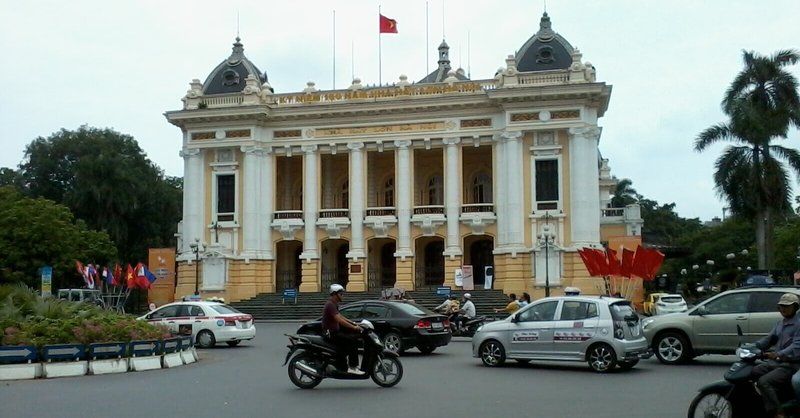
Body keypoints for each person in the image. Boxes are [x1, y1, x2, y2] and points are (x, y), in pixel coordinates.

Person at [751, 293, 800, 418]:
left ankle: (778, 412)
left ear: (795, 307)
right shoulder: (780, 323)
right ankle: (770, 400)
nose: (783, 309)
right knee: (754, 371)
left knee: (764, 382)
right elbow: (768, 339)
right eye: (781, 306)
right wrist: (752, 347)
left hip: (791, 364)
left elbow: (796, 347)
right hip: (777, 362)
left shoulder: (798, 324)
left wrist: (777, 354)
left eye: (787, 306)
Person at [322, 284, 365, 375]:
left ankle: (341, 364)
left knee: (352, 337)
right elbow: (339, 320)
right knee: (352, 340)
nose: (342, 296)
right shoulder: (330, 305)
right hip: (331, 333)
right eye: (341, 294)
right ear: (334, 294)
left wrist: (354, 324)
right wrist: (354, 327)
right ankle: (352, 367)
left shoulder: (333, 304)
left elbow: (342, 317)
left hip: (335, 332)